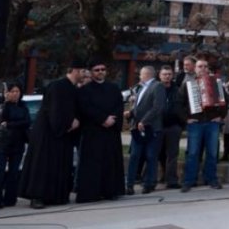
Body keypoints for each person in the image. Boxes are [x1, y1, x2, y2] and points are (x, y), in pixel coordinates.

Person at [21, 61, 83, 208]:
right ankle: (37, 197)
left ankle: (56, 196)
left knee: (59, 165)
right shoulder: (57, 86)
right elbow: (54, 110)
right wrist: (68, 124)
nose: (84, 74)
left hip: (62, 135)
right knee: (42, 166)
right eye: (82, 71)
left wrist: (75, 122)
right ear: (74, 70)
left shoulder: (72, 88)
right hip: (47, 133)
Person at [76, 60, 126, 203]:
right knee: (93, 164)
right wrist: (103, 119)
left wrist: (112, 120)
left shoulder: (114, 88)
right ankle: (91, 193)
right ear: (91, 72)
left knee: (110, 162)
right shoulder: (84, 90)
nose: (100, 72)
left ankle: (110, 191)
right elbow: (85, 109)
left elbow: (119, 106)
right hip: (94, 132)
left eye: (102, 69)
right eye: (97, 70)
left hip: (111, 132)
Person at [178, 58, 228, 193]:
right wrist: (186, 118)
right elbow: (179, 104)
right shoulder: (188, 84)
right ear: (195, 68)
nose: (203, 69)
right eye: (200, 66)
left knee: (212, 153)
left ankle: (211, 179)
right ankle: (189, 180)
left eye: (205, 66)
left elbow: (225, 102)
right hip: (195, 123)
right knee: (193, 153)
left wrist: (220, 116)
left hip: (212, 123)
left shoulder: (216, 83)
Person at [125, 66, 165, 195]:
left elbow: (157, 107)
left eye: (141, 74)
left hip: (151, 128)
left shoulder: (157, 86)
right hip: (137, 128)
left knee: (151, 156)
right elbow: (140, 107)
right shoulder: (140, 88)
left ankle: (149, 183)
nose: (139, 76)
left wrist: (144, 121)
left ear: (147, 74)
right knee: (134, 156)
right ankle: (129, 184)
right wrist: (130, 113)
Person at [0, 82, 31, 211]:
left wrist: (10, 124)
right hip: (2, 143)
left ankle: (10, 199)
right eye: (13, 91)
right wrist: (13, 123)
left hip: (18, 143)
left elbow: (27, 122)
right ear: (7, 93)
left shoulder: (23, 106)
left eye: (17, 91)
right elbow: (2, 120)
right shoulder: (2, 106)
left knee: (14, 173)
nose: (15, 94)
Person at [157, 65, 184, 189]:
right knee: (157, 153)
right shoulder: (156, 89)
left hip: (174, 126)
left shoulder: (178, 89)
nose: (167, 76)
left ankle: (172, 180)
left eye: (169, 74)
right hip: (158, 126)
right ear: (160, 76)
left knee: (172, 154)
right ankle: (154, 178)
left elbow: (183, 106)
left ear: (172, 75)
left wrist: (181, 123)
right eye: (164, 74)